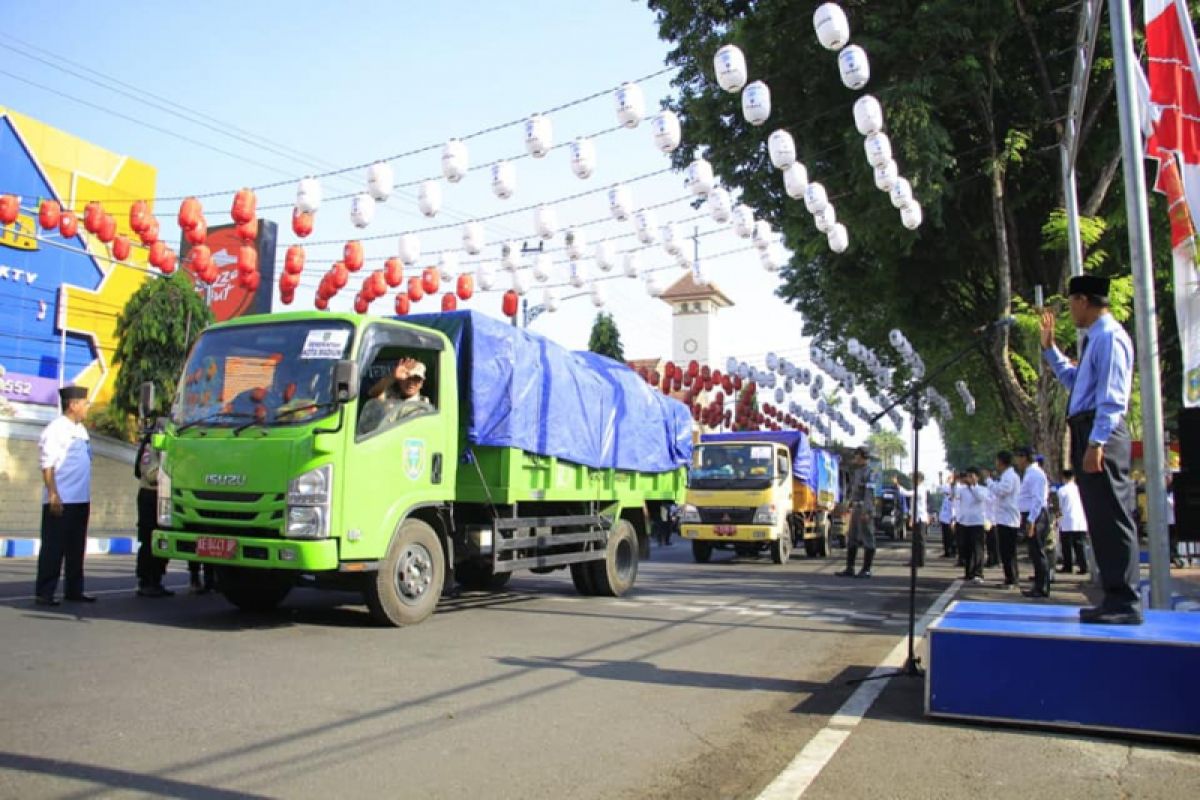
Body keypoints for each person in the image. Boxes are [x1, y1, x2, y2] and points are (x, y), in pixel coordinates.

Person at [1041, 275, 1141, 624]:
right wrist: (1050, 349)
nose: (1070, 311)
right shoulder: (1093, 340)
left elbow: (1112, 399)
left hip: (1102, 433)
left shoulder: (1111, 338)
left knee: (1113, 515)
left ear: (1083, 300)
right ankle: (1113, 597)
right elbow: (1074, 383)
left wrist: (1097, 443)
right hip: (1086, 428)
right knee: (1100, 517)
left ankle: (1126, 601)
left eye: (1071, 303)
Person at [34, 386, 94, 606]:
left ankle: (74, 590)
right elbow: (47, 465)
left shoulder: (81, 430)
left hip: (80, 499)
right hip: (62, 499)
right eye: (85, 403)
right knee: (53, 548)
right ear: (73, 404)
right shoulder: (55, 429)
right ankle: (45, 592)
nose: (88, 407)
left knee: (76, 548)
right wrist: (53, 494)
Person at [134, 426, 173, 597]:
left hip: (164, 496)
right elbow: (150, 474)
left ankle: (157, 579)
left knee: (162, 539)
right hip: (150, 496)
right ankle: (145, 581)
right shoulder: (151, 448)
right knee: (148, 539)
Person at [358, 357, 433, 435]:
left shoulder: (423, 406)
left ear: (421, 383)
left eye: (416, 379)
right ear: (400, 380)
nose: (411, 382)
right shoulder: (390, 394)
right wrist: (392, 376)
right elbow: (373, 394)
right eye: (407, 378)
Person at [1015, 446, 1051, 598]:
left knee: (1038, 551)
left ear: (1024, 457)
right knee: (1034, 552)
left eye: (1018, 457)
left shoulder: (1035, 474)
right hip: (1031, 515)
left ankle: (1042, 587)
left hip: (1036, 516)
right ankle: (1038, 584)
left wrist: (1031, 520)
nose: (1017, 461)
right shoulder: (1030, 473)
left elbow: (1038, 499)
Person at [837, 447, 876, 578]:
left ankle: (866, 569)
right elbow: (853, 491)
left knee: (867, 538)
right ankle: (850, 568)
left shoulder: (870, 472)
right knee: (852, 538)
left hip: (865, 509)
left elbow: (869, 494)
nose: (855, 458)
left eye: (857, 456)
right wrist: (848, 504)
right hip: (856, 508)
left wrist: (866, 511)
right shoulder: (857, 471)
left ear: (863, 457)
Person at [991, 451, 1022, 589]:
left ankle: (1012, 579)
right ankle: (1010, 577)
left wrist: (989, 482)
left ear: (1001, 461)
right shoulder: (1007, 475)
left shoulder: (1009, 476)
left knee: (1008, 551)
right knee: (1007, 551)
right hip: (1005, 517)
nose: (995, 463)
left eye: (997, 460)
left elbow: (1002, 491)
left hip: (1008, 518)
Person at [955, 467, 988, 583]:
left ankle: (978, 573)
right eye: (968, 476)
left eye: (971, 476)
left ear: (977, 477)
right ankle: (968, 573)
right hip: (965, 522)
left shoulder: (982, 489)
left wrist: (973, 487)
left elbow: (981, 498)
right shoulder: (962, 490)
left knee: (977, 548)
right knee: (966, 548)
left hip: (977, 522)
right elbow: (956, 502)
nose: (969, 479)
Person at [892, 472, 928, 567]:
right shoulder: (917, 488)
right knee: (916, 541)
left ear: (919, 479)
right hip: (916, 517)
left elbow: (907, 493)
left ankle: (919, 561)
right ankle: (915, 560)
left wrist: (897, 484)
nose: (912, 480)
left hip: (920, 518)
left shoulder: (920, 489)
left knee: (919, 541)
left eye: (913, 478)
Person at [1056, 470, 1089, 575]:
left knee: (1066, 546)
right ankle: (1083, 567)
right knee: (1080, 545)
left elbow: (1059, 507)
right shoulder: (1080, 489)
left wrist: (1057, 519)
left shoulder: (1062, 490)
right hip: (1080, 521)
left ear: (1063, 478)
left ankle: (1068, 566)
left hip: (1067, 521)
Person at [980, 467, 999, 568]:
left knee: (994, 542)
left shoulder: (995, 486)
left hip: (994, 519)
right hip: (988, 518)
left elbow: (993, 500)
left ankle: (995, 560)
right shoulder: (987, 488)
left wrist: (985, 498)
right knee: (989, 542)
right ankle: (991, 560)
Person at [937, 473, 957, 558]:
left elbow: (954, 509)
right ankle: (946, 551)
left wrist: (953, 520)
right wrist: (941, 478)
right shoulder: (946, 496)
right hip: (944, 518)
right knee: (945, 537)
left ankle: (952, 552)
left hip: (951, 519)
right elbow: (940, 488)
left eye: (950, 478)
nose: (948, 480)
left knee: (951, 537)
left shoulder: (954, 491)